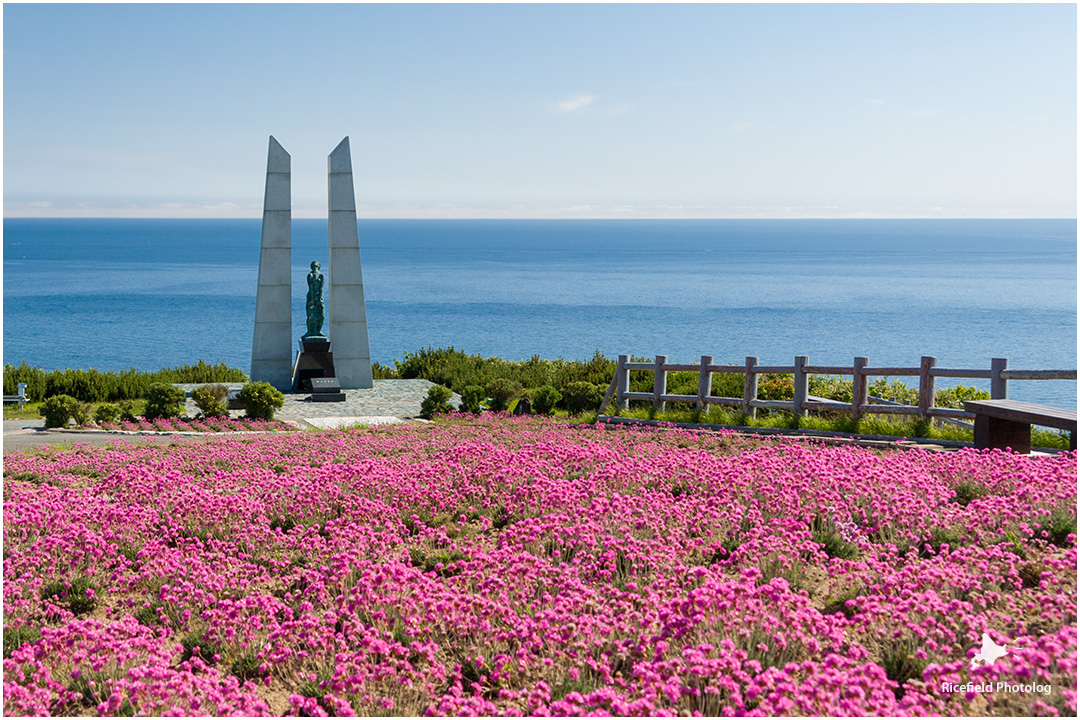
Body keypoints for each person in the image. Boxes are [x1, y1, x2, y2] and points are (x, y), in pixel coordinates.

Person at [304, 260, 325, 339]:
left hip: (319, 297)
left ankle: (318, 331)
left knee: (321, 315)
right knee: (310, 315)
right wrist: (312, 299)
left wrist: (319, 299)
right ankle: (310, 331)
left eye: (316, 265)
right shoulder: (310, 275)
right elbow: (310, 287)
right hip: (311, 297)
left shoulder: (321, 275)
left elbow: (321, 288)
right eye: (314, 265)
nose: (315, 266)